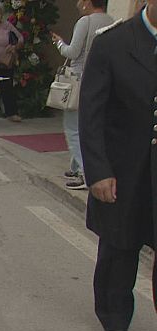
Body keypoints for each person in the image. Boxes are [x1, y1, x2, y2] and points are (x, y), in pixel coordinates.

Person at [78, 0, 157, 331]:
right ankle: (114, 318)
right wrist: (98, 171)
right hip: (125, 170)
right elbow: (92, 114)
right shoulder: (113, 43)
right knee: (120, 247)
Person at [51, 0, 113, 190]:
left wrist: (59, 43)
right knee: (88, 124)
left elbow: (73, 51)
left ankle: (86, 173)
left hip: (79, 79)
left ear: (87, 2)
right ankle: (75, 166)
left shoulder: (85, 22)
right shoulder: (110, 20)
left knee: (73, 128)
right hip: (101, 80)